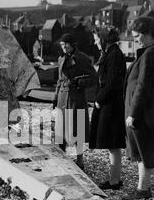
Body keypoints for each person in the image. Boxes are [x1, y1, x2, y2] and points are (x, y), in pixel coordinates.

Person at [123, 16, 154, 200]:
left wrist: (133, 113)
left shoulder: (151, 53)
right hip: (148, 110)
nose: (135, 40)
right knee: (142, 150)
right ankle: (143, 188)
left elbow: (143, 85)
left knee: (143, 150)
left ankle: (143, 190)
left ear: (147, 34)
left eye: (137, 36)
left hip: (143, 111)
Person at [89, 26, 127, 190]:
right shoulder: (112, 54)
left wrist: (99, 100)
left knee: (113, 144)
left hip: (110, 105)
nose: (95, 42)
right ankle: (114, 179)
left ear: (104, 39)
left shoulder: (113, 56)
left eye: (97, 39)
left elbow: (112, 83)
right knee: (113, 144)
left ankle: (114, 181)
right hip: (110, 103)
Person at [53, 33, 98, 169]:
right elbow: (59, 80)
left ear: (73, 44)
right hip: (62, 96)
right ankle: (62, 156)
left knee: (77, 128)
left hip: (76, 97)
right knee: (60, 128)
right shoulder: (60, 59)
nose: (64, 46)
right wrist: (55, 98)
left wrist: (80, 83)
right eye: (62, 44)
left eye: (66, 44)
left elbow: (93, 78)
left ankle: (80, 160)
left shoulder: (82, 58)